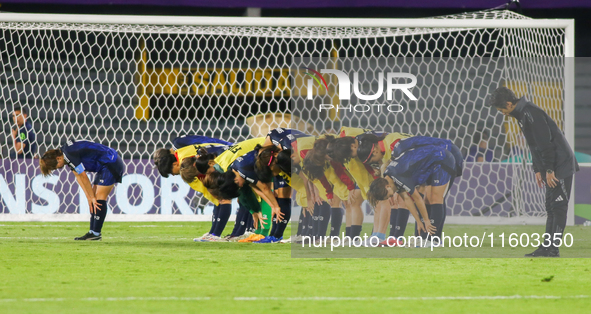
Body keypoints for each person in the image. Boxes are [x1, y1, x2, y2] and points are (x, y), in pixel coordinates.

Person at [488, 86, 579, 257]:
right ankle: (546, 247)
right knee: (551, 207)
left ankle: (553, 249)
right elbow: (534, 145)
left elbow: (546, 144)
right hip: (552, 165)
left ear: (509, 104)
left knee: (558, 207)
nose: (502, 113)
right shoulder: (523, 114)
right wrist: (538, 169)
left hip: (560, 164)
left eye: (501, 110)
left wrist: (550, 169)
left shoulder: (530, 113)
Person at [39, 140, 125, 241]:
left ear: (58, 158)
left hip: (111, 163)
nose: (56, 169)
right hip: (104, 165)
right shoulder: (67, 154)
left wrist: (92, 197)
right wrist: (89, 197)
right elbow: (78, 177)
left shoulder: (69, 155)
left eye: (55, 167)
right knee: (94, 199)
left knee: (99, 198)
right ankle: (93, 232)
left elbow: (84, 176)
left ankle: (96, 233)